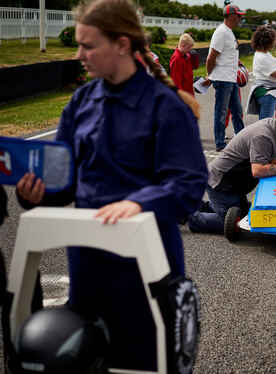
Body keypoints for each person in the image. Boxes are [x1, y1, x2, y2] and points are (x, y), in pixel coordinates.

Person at [15, 0, 209, 370]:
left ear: (121, 44)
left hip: (146, 260)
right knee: (87, 357)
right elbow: (65, 181)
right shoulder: (80, 103)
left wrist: (140, 204)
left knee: (145, 360)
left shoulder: (166, 106)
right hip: (87, 261)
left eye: (88, 45)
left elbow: (187, 184)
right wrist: (37, 194)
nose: (79, 54)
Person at [188, 110, 276, 234]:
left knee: (250, 213)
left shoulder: (275, 129)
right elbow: (258, 170)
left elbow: (274, 161)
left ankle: (198, 206)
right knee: (235, 222)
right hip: (221, 182)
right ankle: (188, 216)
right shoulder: (263, 136)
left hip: (235, 182)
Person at [207, 3, 246, 151]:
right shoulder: (222, 32)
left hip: (230, 78)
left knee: (237, 112)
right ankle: (220, 143)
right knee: (221, 113)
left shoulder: (228, 31)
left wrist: (235, 62)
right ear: (230, 16)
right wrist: (210, 75)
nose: (240, 19)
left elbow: (224, 54)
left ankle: (242, 141)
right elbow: (211, 57)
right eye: (238, 16)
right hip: (223, 79)